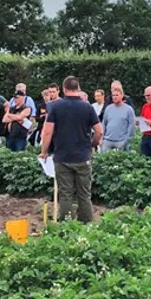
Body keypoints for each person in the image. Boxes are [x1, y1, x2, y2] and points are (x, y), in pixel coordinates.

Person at [39, 76, 103, 223]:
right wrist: (92, 144)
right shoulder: (87, 107)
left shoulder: (56, 107)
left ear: (64, 89)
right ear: (78, 88)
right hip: (83, 157)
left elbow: (47, 132)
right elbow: (99, 131)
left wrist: (44, 151)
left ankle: (67, 226)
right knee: (84, 194)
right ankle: (86, 225)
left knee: (65, 194)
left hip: (62, 157)